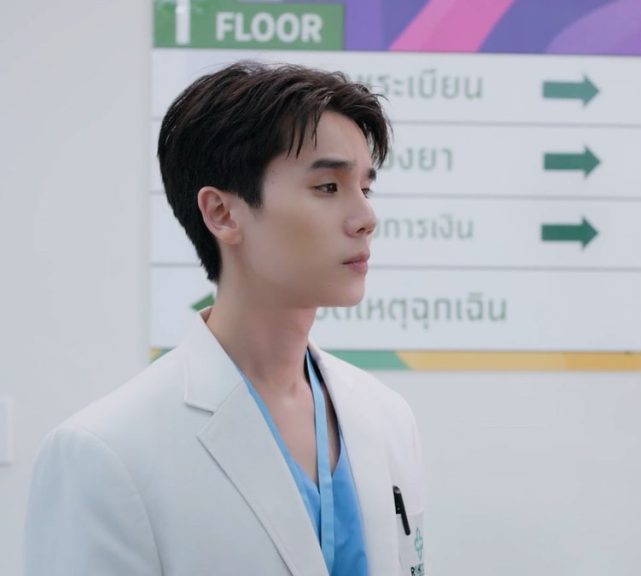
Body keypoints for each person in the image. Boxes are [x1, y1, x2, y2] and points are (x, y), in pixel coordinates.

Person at [24, 61, 426, 576]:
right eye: (328, 187)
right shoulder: (104, 453)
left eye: (365, 189)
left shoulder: (387, 417)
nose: (366, 218)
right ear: (221, 213)